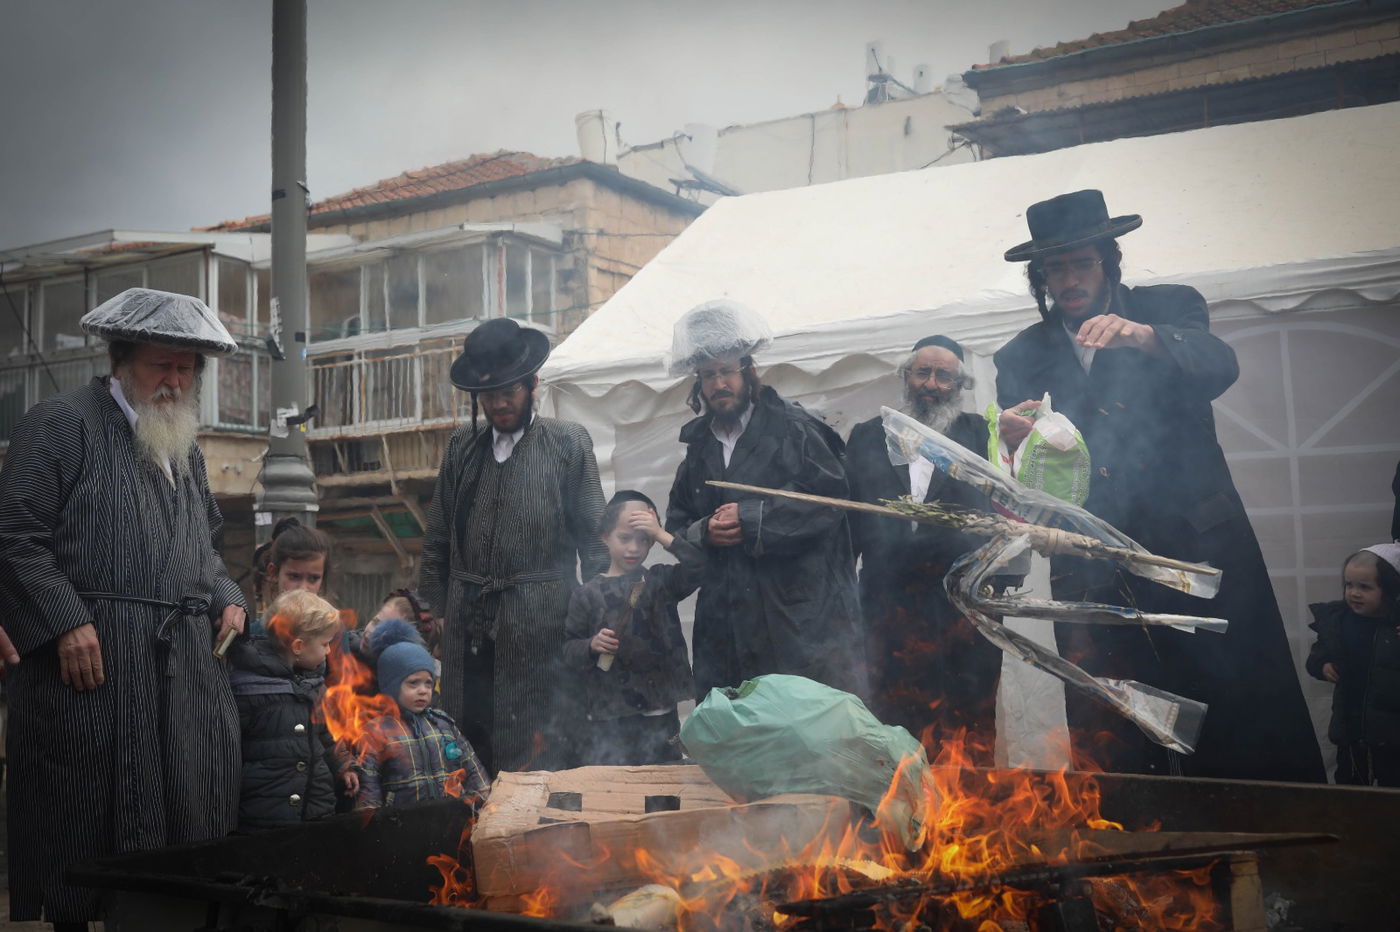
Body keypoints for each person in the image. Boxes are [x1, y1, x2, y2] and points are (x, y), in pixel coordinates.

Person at [992, 190, 1323, 782]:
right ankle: (1135, 837)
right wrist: (1012, 440)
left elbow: (1218, 365)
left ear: (1109, 261)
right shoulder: (1020, 353)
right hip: (1093, 559)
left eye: (1081, 263)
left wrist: (1144, 336)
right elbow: (1026, 469)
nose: (1068, 279)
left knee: (1234, 695)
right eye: (1054, 268)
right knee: (1112, 711)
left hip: (1195, 544)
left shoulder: (1168, 308)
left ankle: (1260, 824)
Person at [0, 288, 248, 927]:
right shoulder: (59, 424)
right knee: (81, 809)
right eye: (159, 365)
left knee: (174, 816)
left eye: (186, 368)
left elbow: (204, 547)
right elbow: (14, 535)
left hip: (179, 667)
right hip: (93, 662)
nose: (174, 380)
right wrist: (65, 619)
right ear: (121, 361)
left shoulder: (184, 448)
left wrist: (227, 599)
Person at [420, 318, 608, 774]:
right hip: (468, 622)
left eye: (510, 392)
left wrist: (596, 614)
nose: (499, 404)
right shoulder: (462, 445)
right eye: (488, 396)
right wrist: (435, 610)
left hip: (543, 621)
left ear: (533, 385)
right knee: (469, 736)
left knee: (537, 740)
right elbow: (439, 535)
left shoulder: (568, 443)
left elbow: (594, 539)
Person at [664, 300, 866, 700]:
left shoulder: (796, 428)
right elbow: (677, 521)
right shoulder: (699, 445)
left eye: (726, 371)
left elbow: (832, 501)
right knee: (739, 729)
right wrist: (705, 530)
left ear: (749, 371)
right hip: (726, 620)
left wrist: (753, 519)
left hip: (796, 616)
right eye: (707, 375)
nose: (718, 384)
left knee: (799, 726)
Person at [845, 335, 1000, 755]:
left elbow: (1008, 514)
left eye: (943, 376)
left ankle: (971, 814)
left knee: (967, 723)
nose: (931, 384)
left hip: (962, 609)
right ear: (906, 377)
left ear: (961, 385)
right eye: (922, 372)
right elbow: (848, 525)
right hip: (886, 609)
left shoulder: (985, 437)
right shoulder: (865, 436)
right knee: (892, 720)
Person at [562, 491, 702, 765]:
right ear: (605, 536)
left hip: (659, 710)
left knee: (664, 787)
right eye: (624, 538)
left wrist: (662, 534)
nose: (633, 549)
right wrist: (591, 645)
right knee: (619, 791)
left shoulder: (661, 581)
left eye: (644, 540)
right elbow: (568, 649)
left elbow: (702, 567)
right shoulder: (587, 594)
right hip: (611, 714)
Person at [228, 589, 356, 831]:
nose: (329, 651)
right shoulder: (250, 689)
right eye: (325, 644)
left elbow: (327, 736)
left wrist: (344, 765)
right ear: (298, 646)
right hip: (265, 812)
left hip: (315, 807)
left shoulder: (315, 687)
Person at [353, 620, 490, 809]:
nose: (423, 690)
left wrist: (482, 799)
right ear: (391, 686)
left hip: (449, 820)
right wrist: (372, 821)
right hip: (400, 826)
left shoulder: (443, 725)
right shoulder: (376, 732)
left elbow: (472, 768)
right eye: (413, 683)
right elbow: (369, 787)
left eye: (428, 683)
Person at [1306, 544, 1400, 787]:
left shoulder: (1396, 627)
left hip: (1392, 735)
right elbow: (1318, 654)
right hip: (1350, 728)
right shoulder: (1339, 622)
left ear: (1390, 589)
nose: (1354, 593)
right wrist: (1323, 665)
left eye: (1365, 587)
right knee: (1349, 789)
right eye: (1349, 585)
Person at [248, 516, 332, 636]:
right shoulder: (252, 636)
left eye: (313, 579)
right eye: (294, 576)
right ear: (274, 573)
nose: (303, 588)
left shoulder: (331, 633)